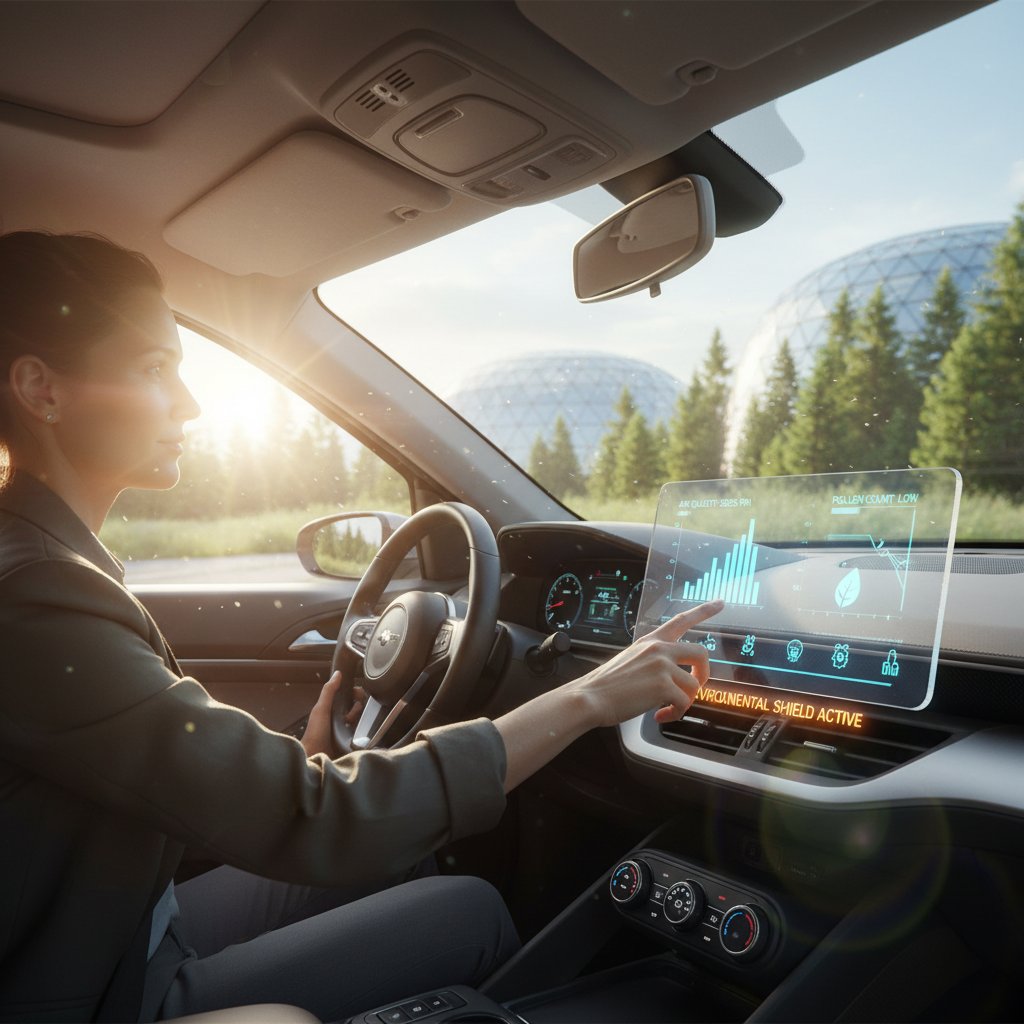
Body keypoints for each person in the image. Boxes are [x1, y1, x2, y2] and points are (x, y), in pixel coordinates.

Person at [0, 231, 721, 1023]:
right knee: (469, 911)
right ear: (42, 390)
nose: (191, 403)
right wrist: (584, 696)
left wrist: (293, 768)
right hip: (94, 987)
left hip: (110, 925)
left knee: (420, 873)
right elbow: (322, 820)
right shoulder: (39, 598)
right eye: (152, 370)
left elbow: (126, 788)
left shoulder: (46, 561)